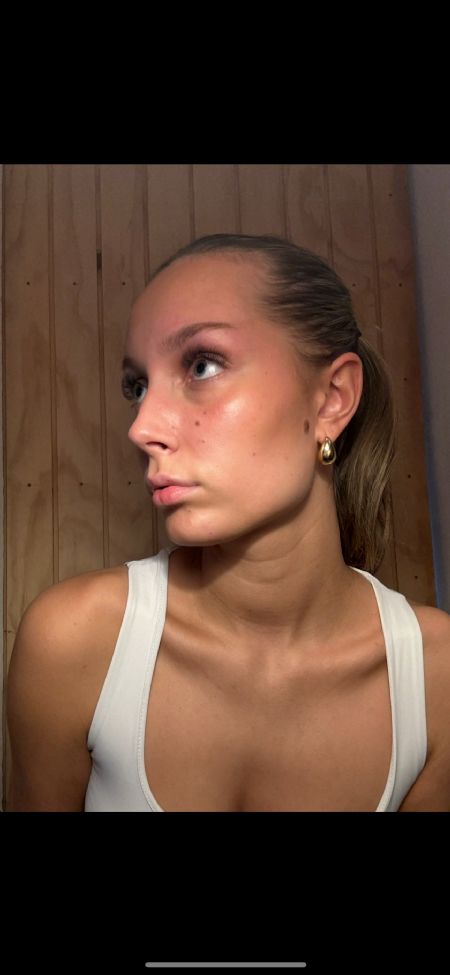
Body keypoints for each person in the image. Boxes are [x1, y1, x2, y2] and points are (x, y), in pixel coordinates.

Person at [6, 233, 450, 812]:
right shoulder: (76, 642)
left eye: (202, 365)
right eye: (137, 387)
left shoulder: (436, 679)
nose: (141, 428)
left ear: (332, 399)